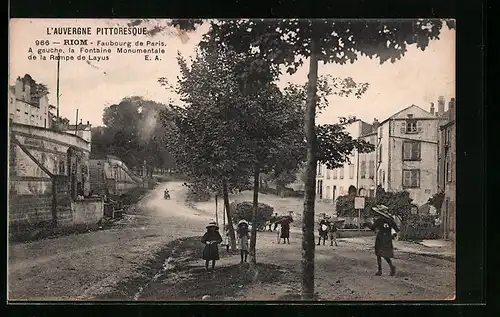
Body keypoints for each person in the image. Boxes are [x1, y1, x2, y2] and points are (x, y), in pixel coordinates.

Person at [370, 205, 399, 276]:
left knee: (378, 254)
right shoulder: (390, 219)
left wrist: (369, 223)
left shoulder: (380, 219)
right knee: (386, 254)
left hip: (380, 238)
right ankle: (391, 266)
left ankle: (380, 270)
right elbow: (396, 229)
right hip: (388, 238)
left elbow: (372, 227)